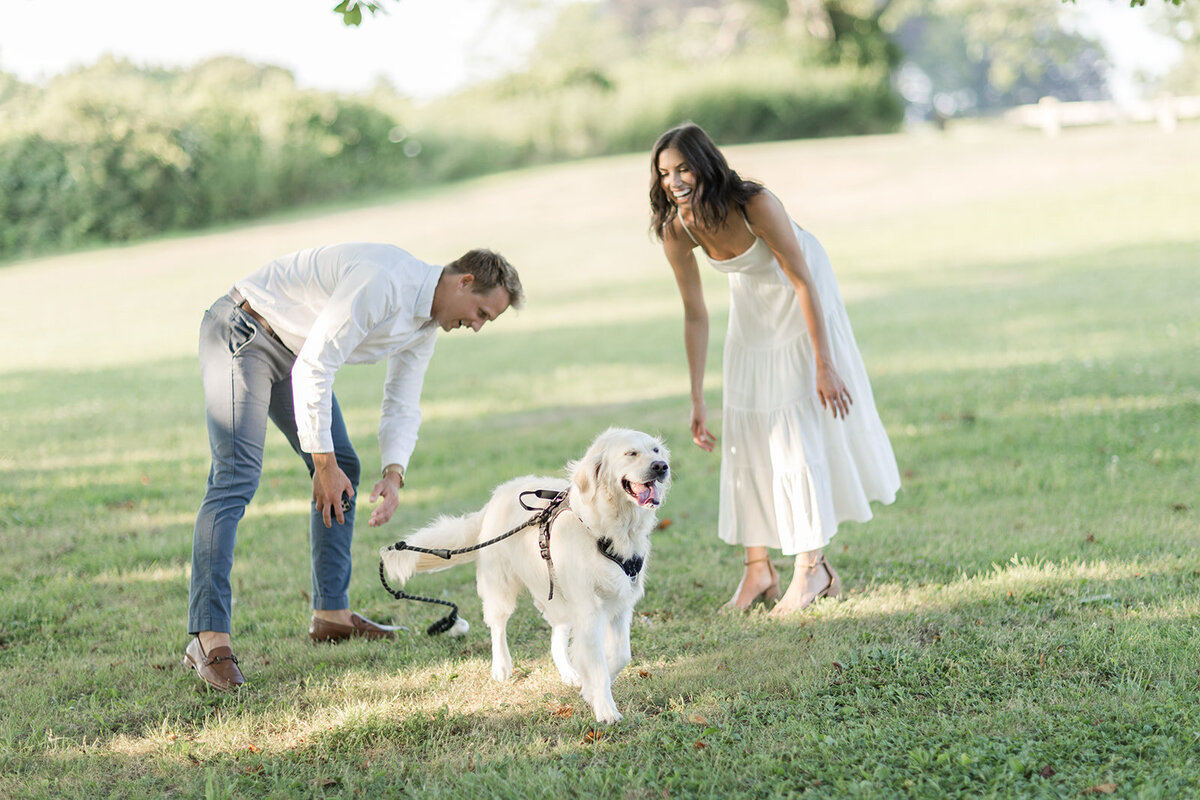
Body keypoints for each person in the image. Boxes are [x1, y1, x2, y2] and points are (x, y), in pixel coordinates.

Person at [184, 243, 524, 690]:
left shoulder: (425, 323)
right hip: (245, 329)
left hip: (293, 353)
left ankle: (332, 615)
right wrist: (321, 465)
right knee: (236, 477)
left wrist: (394, 473)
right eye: (481, 312)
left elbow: (402, 400)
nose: (477, 326)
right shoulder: (384, 282)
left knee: (343, 462)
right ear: (463, 282)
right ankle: (208, 640)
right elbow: (317, 367)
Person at [649, 123, 899, 617]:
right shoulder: (677, 230)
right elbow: (695, 313)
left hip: (801, 294)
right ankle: (757, 569)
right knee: (746, 426)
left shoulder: (754, 203)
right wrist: (698, 398)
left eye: (682, 169)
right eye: (663, 173)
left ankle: (813, 570)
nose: (674, 181)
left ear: (705, 164)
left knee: (793, 428)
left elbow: (802, 277)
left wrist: (823, 365)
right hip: (753, 306)